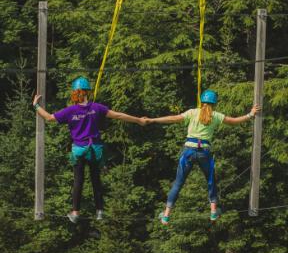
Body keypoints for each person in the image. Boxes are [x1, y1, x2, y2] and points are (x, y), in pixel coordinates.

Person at [33, 76, 146, 223]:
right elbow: (118, 115)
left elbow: (48, 118)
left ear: (74, 93)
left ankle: (75, 213)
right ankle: (99, 212)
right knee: (96, 180)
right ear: (88, 92)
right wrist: (138, 120)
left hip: (79, 150)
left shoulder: (70, 111)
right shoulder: (97, 108)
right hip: (95, 150)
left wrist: (36, 105)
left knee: (78, 181)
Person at [145, 90, 261, 225]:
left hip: (188, 151)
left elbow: (173, 118)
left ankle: (165, 216)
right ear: (214, 103)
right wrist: (250, 114)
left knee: (178, 183)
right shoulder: (216, 116)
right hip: (204, 152)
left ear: (202, 101)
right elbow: (234, 121)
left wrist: (153, 120)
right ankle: (213, 213)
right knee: (211, 180)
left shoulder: (192, 112)